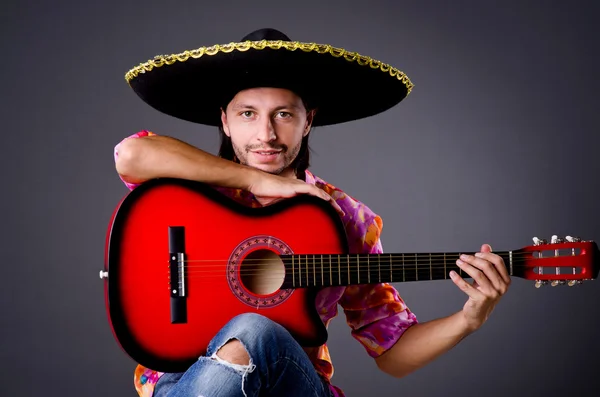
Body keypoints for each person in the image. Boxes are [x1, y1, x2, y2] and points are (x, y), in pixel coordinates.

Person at [113, 28, 511, 397]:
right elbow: (130, 153)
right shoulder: (192, 188)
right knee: (247, 331)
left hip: (292, 384)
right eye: (247, 113)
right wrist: (255, 181)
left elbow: (394, 352)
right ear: (225, 121)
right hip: (183, 380)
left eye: (284, 114)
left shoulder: (345, 216)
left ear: (308, 122)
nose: (266, 134)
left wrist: (469, 319)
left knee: (255, 329)